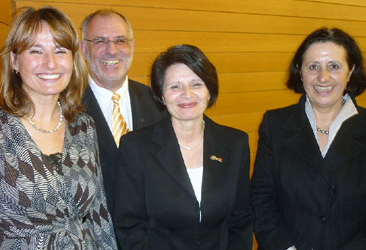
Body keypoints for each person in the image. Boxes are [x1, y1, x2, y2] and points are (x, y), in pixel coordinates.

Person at [0, 6, 118, 249]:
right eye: (36, 51)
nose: (50, 63)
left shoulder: (84, 126)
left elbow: (98, 211)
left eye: (60, 51)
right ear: (15, 61)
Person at [114, 44, 253, 250]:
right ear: (161, 94)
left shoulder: (235, 144)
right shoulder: (135, 148)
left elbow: (241, 220)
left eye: (196, 84)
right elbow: (130, 228)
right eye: (175, 87)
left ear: (209, 90)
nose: (187, 95)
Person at [251, 27, 366, 250]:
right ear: (300, 71)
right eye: (313, 67)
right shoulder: (275, 124)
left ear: (350, 71)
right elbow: (262, 197)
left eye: (334, 66)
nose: (323, 77)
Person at [80, 9, 165, 214]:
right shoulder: (65, 108)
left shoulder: (160, 102)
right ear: (83, 49)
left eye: (120, 40)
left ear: (132, 46)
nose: (112, 50)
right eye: (100, 41)